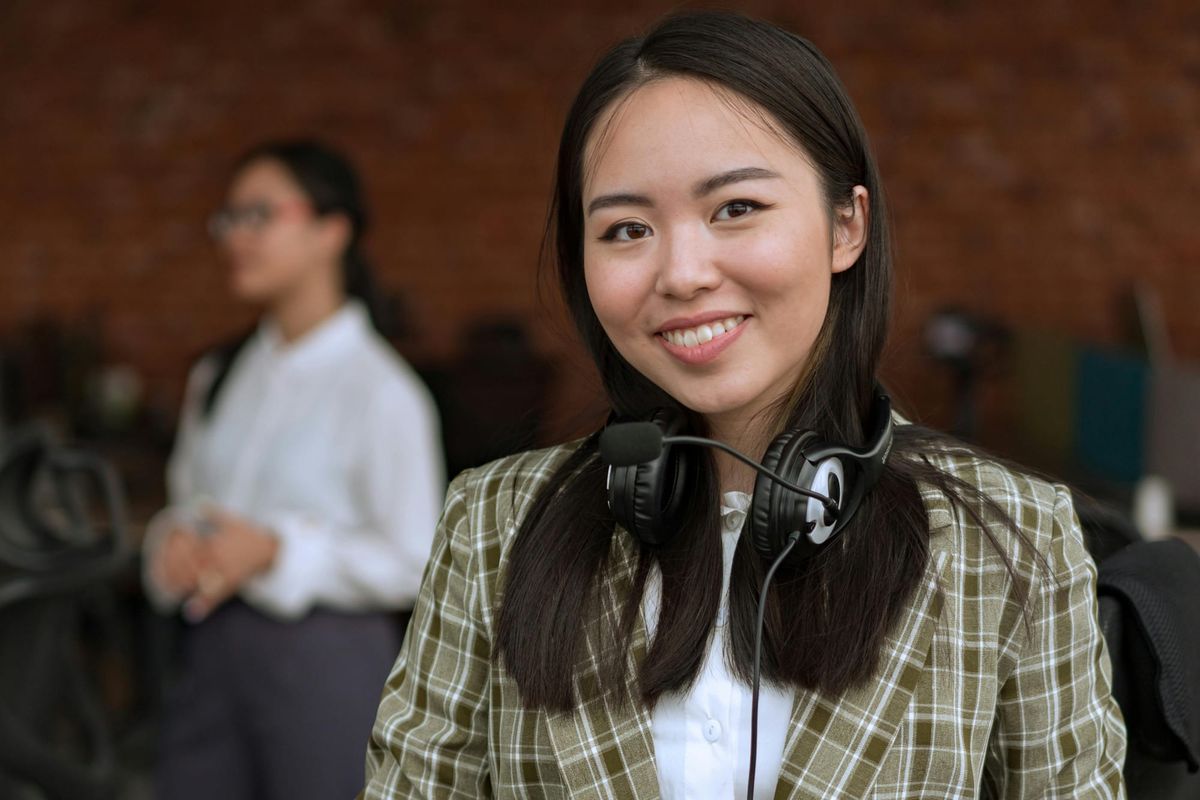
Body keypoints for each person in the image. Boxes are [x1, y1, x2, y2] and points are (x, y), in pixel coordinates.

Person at [362, 12, 1126, 799]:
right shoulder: (495, 523)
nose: (682, 273)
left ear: (845, 226)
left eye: (736, 208)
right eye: (626, 228)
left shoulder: (1011, 540)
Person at [143, 139, 444, 800]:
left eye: (259, 214)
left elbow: (417, 561)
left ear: (331, 231)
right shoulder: (217, 376)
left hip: (325, 668)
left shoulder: (382, 392)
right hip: (210, 659)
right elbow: (189, 500)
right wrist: (175, 545)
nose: (236, 236)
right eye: (228, 218)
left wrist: (278, 549)